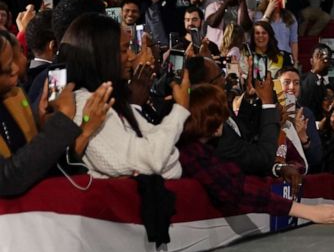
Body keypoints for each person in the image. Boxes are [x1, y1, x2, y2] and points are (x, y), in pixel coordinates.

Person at [178, 83, 334, 224]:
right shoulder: (190, 152)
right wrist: (308, 212)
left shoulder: (204, 150)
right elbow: (237, 190)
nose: (226, 116)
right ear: (207, 117)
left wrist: (279, 168)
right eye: (220, 111)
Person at [63, 13, 191, 178]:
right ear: (103, 54)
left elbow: (165, 152)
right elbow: (153, 158)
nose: (131, 56)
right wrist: (180, 110)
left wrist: (160, 153)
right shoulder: (87, 104)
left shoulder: (108, 98)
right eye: (125, 49)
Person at [0, 28, 113, 196]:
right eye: (8, 67)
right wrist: (61, 121)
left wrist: (45, 124)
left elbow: (43, 170)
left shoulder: (14, 96)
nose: (16, 69)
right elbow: (8, 180)